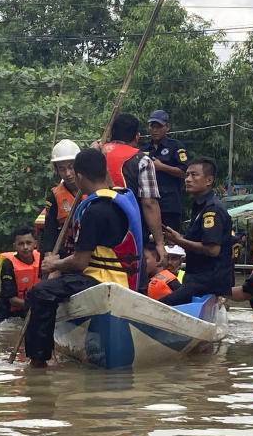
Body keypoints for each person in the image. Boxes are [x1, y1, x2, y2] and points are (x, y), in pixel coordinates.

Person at [23, 148, 143, 367]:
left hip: (102, 277)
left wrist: (54, 263)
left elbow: (79, 262)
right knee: (56, 286)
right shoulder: (122, 196)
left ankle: (39, 360)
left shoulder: (95, 211)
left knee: (39, 292)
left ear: (79, 176)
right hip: (126, 277)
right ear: (105, 172)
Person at [160, 157, 233, 305]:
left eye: (194, 175)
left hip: (206, 281)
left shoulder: (212, 210)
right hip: (196, 278)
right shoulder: (199, 206)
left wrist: (179, 241)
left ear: (209, 180)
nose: (188, 179)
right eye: (187, 175)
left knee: (158, 305)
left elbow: (213, 249)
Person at [99, 113, 167, 268]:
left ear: (110, 134)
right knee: (132, 280)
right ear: (137, 136)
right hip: (128, 233)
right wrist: (159, 243)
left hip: (94, 231)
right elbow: (149, 203)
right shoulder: (142, 160)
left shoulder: (95, 153)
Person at [140, 109, 189, 231]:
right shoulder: (144, 148)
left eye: (159, 126)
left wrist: (162, 167)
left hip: (169, 205)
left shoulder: (176, 146)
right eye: (152, 126)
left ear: (167, 127)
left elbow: (186, 172)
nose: (155, 130)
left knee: (171, 242)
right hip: (148, 203)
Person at [36, 139, 83, 258]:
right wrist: (50, 259)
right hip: (67, 252)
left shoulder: (92, 188)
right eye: (62, 169)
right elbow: (49, 231)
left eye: (71, 167)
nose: (67, 173)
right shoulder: (54, 196)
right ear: (56, 170)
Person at [0, 226, 41, 323]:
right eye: (21, 244)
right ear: (15, 246)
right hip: (6, 312)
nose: (25, 247)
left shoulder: (42, 259)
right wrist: (36, 305)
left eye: (29, 243)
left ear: (35, 244)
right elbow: (12, 299)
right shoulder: (8, 265)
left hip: (29, 309)